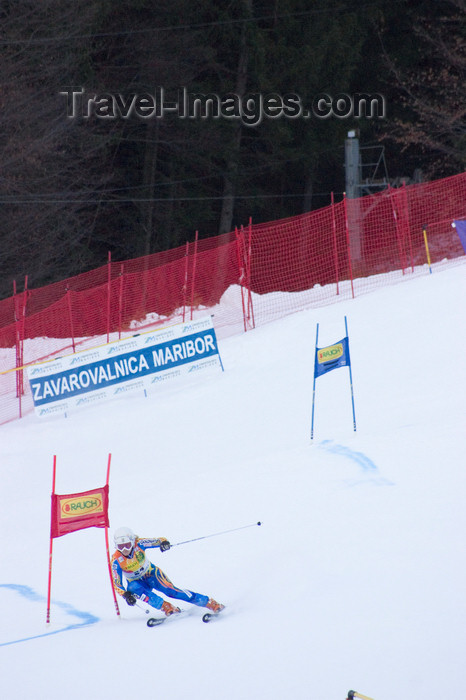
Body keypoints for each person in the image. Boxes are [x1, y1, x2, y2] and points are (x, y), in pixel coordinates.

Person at [111, 526, 225, 616]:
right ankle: (166, 607)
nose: (124, 550)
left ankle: (208, 602)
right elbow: (117, 583)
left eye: (127, 545)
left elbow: (159, 540)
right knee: (132, 588)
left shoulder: (139, 544)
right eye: (120, 547)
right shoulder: (116, 560)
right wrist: (126, 595)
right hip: (137, 582)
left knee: (171, 591)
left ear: (132, 541)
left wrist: (164, 543)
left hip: (151, 574)